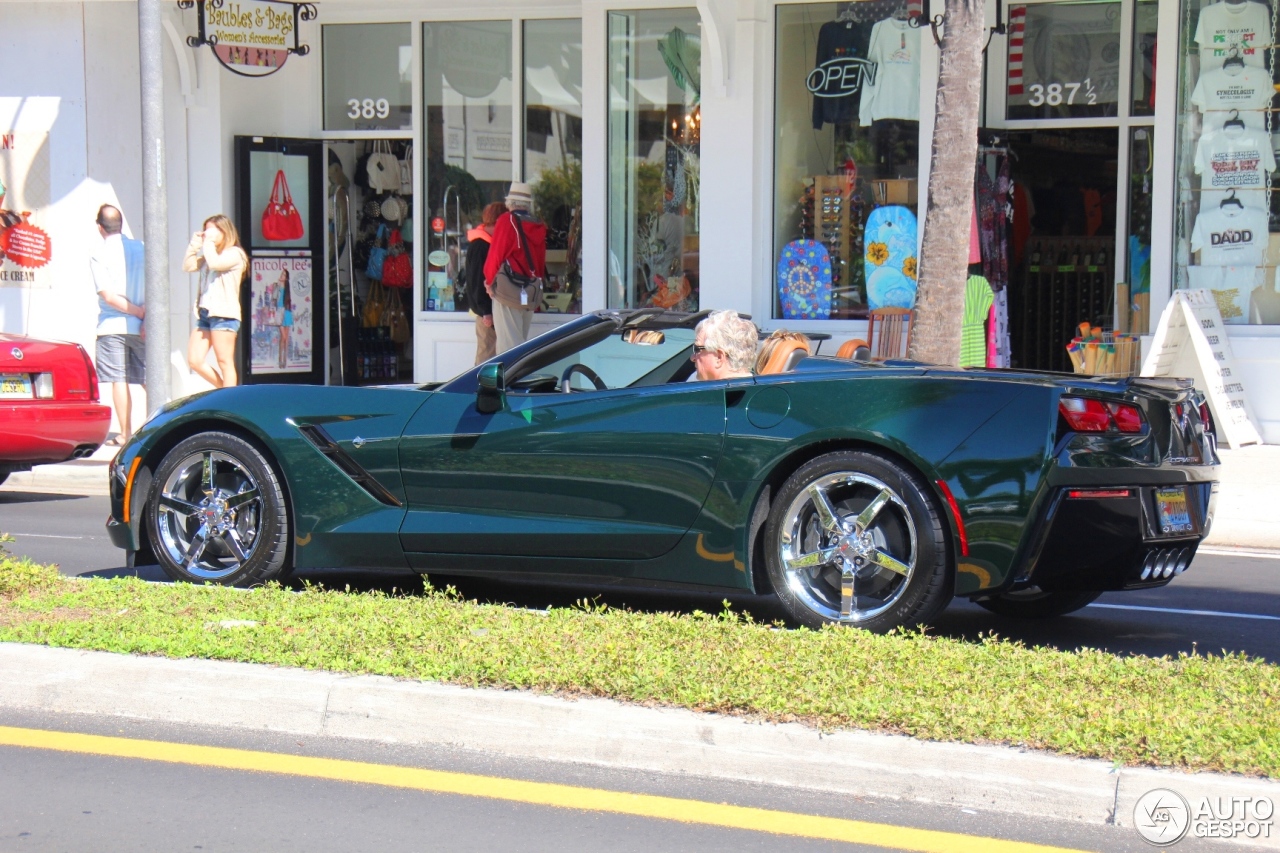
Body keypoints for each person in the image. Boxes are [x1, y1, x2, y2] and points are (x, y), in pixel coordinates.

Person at [89, 204, 146, 445]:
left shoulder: (99, 254)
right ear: (120, 224)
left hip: (112, 326)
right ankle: (166, 425)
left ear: (100, 227)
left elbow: (108, 296)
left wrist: (134, 311)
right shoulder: (141, 248)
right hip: (141, 326)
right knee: (148, 379)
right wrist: (144, 315)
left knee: (119, 379)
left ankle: (125, 433)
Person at [184, 214, 248, 388]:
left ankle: (229, 402)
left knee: (224, 361)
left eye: (212, 231)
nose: (208, 235)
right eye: (206, 231)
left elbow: (214, 263)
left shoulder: (235, 254)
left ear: (224, 231)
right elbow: (188, 265)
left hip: (224, 314)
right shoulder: (209, 254)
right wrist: (195, 244)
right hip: (206, 312)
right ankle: (223, 391)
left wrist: (209, 243)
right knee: (195, 360)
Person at [484, 182, 547, 355]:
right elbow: (540, 263)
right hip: (529, 291)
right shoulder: (538, 225)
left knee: (508, 349)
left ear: (510, 202)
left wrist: (489, 282)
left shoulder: (507, 221)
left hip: (509, 291)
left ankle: (511, 382)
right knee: (521, 344)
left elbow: (495, 256)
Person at [465, 201, 507, 364]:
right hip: (486, 312)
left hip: (488, 309)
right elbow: (476, 281)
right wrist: (486, 311)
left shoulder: (484, 243)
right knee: (486, 356)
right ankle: (477, 387)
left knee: (491, 353)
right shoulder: (481, 246)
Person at [692, 310, 757, 381]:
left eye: (697, 349)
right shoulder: (765, 390)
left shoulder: (699, 391)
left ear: (719, 357)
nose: (692, 358)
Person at [277, 268, 293, 370]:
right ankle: (280, 359)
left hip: (287, 312)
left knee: (285, 338)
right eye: (281, 274)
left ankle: (284, 360)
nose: (281, 276)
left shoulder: (287, 287)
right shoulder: (278, 286)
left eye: (283, 275)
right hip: (280, 312)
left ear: (286, 278)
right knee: (283, 336)